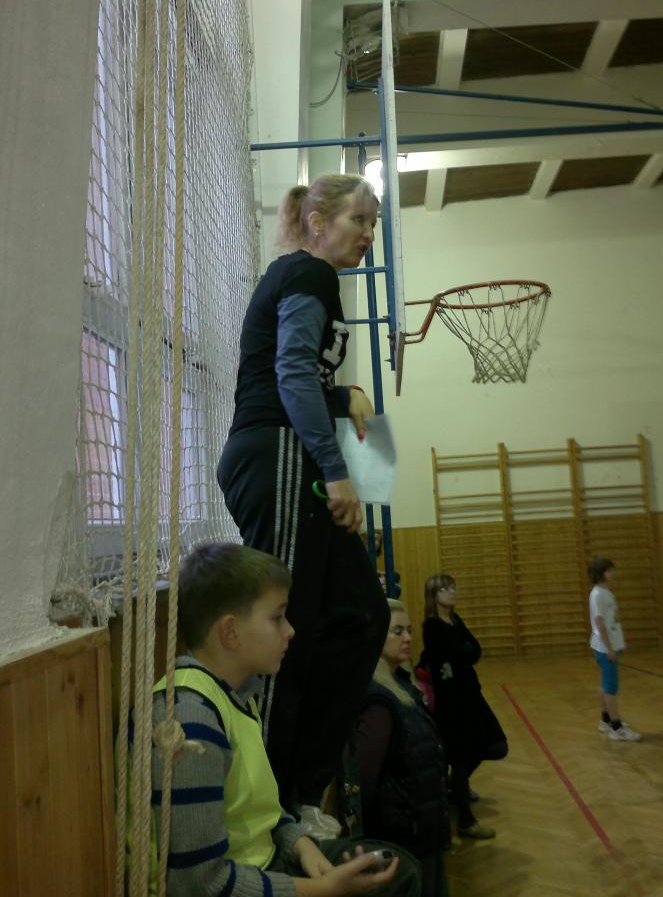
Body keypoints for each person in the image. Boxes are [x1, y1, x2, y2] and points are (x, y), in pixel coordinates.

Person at [217, 175, 389, 834]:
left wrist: (345, 396)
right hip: (279, 456)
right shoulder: (308, 273)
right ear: (318, 221)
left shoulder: (311, 280)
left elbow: (295, 371)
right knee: (286, 631)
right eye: (358, 220)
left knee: (361, 614)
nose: (368, 234)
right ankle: (272, 810)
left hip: (289, 456)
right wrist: (335, 470)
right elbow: (289, 373)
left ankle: (299, 791)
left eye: (373, 223)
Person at [135, 542, 421, 897]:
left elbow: (262, 814)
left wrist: (301, 844)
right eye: (277, 618)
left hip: (266, 865)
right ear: (230, 632)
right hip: (241, 882)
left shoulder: (238, 695)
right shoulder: (190, 717)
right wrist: (324, 890)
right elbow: (198, 884)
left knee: (398, 870)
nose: (290, 631)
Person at [356, 599, 451, 897]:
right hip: (405, 838)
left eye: (409, 630)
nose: (408, 638)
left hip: (423, 828)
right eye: (397, 632)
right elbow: (365, 781)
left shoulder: (401, 686)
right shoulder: (379, 702)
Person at [420, 574, 507, 841]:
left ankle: (456, 784)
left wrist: (462, 653)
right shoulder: (432, 626)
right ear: (434, 595)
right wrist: (462, 652)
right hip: (452, 703)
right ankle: (466, 821)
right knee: (460, 757)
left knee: (496, 745)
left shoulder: (455, 620)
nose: (452, 591)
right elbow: (455, 655)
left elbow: (474, 650)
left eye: (453, 587)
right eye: (445, 588)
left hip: (471, 695)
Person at [588, 557, 642, 742]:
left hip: (609, 646)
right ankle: (617, 728)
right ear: (601, 573)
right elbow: (599, 623)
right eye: (609, 570)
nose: (613, 573)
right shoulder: (598, 594)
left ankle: (606, 721)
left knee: (606, 685)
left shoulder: (606, 592)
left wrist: (618, 645)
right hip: (605, 648)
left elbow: (612, 622)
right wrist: (610, 649)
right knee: (610, 688)